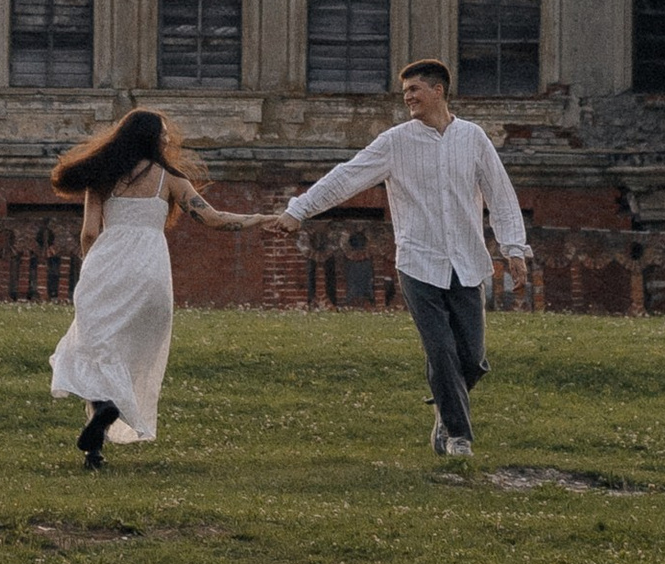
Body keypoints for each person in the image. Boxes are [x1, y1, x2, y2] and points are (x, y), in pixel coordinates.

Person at [281, 63, 530, 459]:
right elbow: (348, 177)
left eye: (415, 90)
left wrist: (514, 250)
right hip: (418, 262)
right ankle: (458, 437)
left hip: (467, 261)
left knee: (473, 359)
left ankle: (444, 412)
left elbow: (501, 196)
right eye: (405, 93)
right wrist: (300, 209)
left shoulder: (473, 138)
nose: (408, 98)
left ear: (438, 90)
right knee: (441, 351)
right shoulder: (395, 142)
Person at [47, 110, 272, 468]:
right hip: (150, 274)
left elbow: (89, 233)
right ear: (152, 139)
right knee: (133, 350)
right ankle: (105, 425)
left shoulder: (102, 177)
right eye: (164, 134)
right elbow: (212, 218)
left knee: (97, 346)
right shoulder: (170, 180)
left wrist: (91, 269)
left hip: (107, 266)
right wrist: (259, 219)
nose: (168, 139)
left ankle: (98, 431)